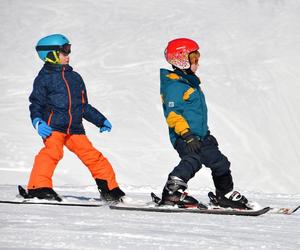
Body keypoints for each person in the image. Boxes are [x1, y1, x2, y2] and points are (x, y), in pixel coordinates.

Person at [27, 34, 125, 202]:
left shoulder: (75, 77)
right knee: (52, 153)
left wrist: (100, 120)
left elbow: (83, 106)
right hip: (53, 127)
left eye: (69, 51)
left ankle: (109, 189)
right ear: (50, 54)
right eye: (64, 52)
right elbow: (36, 103)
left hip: (75, 128)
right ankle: (38, 187)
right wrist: (37, 121)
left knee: (94, 156)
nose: (68, 55)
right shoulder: (43, 79)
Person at [159, 38, 249, 209]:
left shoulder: (189, 82)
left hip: (201, 136)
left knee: (220, 162)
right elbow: (172, 115)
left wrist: (204, 133)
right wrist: (186, 134)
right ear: (181, 59)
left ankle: (224, 194)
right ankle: (172, 192)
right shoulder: (174, 86)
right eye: (194, 59)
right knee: (193, 160)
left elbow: (196, 114)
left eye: (197, 58)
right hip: (184, 137)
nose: (197, 63)